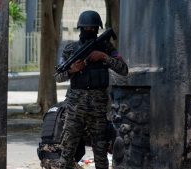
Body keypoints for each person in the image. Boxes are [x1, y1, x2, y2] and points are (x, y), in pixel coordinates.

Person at [55, 10, 128, 169]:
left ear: (97, 29)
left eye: (93, 28)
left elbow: (123, 69)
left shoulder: (106, 47)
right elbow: (57, 76)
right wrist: (72, 70)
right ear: (80, 29)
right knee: (66, 151)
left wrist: (103, 57)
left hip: (98, 110)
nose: (89, 31)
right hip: (75, 109)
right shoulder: (70, 49)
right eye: (86, 28)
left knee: (101, 154)